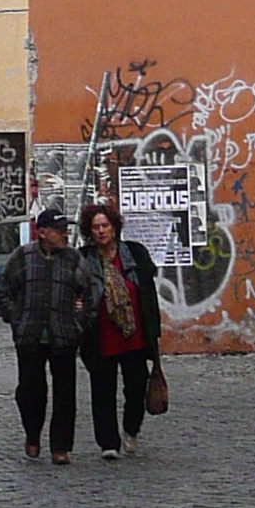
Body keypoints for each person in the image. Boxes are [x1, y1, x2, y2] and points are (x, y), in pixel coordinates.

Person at [0, 203, 92, 461]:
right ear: (42, 232)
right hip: (29, 335)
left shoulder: (74, 260)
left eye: (65, 229)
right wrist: (15, 318)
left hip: (63, 335)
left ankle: (60, 446)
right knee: (31, 390)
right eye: (58, 230)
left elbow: (90, 294)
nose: (64, 234)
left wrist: (79, 322)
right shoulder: (23, 257)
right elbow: (5, 290)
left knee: (65, 393)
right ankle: (32, 434)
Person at [80, 197, 163, 460]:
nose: (101, 231)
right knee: (102, 391)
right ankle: (108, 443)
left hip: (134, 335)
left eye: (105, 225)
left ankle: (131, 427)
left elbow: (148, 292)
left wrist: (154, 330)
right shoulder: (83, 260)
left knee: (136, 387)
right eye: (96, 227)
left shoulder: (135, 254)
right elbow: (76, 290)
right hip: (100, 336)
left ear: (114, 227)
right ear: (89, 231)